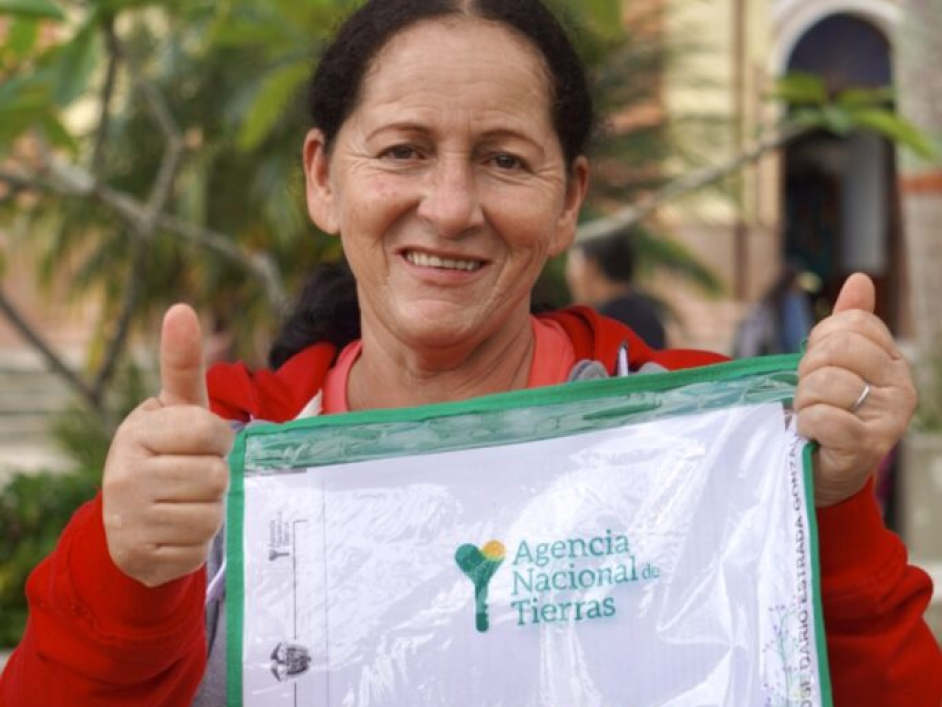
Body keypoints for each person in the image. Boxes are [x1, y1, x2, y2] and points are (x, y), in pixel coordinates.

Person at [2, 0, 940, 705]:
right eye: (405, 150)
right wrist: (127, 567)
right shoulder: (222, 465)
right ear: (324, 179)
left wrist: (830, 509)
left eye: (502, 159)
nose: (450, 206)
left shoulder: (707, 442)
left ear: (569, 199)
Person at [566, 231, 667, 348]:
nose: (569, 276)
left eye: (574, 265)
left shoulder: (594, 329)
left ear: (592, 267)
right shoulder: (652, 320)